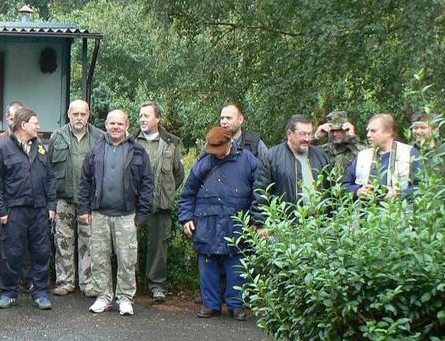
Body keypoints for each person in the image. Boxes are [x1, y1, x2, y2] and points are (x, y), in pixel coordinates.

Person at [77, 110, 154, 316]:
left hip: (127, 215)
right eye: (112, 123)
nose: (115, 127)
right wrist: (84, 208)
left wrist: (143, 214)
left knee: (127, 259)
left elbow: (148, 184)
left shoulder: (138, 151)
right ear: (106, 124)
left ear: (127, 124)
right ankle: (103, 296)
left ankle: (125, 298)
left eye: (119, 123)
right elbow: (85, 181)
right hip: (100, 214)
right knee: (99, 258)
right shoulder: (96, 150)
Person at [178, 126, 259, 321]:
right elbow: (187, 193)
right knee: (208, 264)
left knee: (237, 265)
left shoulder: (248, 161)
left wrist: (257, 221)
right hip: (207, 223)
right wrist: (186, 218)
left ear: (230, 143)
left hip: (237, 222)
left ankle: (236, 305)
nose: (215, 153)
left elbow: (260, 193)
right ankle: (211, 304)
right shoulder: (203, 163)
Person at [0, 108, 57, 310]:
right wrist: (1, 210)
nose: (38, 126)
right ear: (23, 125)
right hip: (14, 211)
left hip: (39, 210)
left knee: (42, 252)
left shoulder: (42, 148)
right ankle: (9, 292)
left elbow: (50, 179)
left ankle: (41, 292)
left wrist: (51, 205)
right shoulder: (3, 148)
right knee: (12, 252)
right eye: (35, 123)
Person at [49, 99, 104, 297]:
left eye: (83, 114)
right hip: (63, 199)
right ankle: (65, 281)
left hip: (89, 201)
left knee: (89, 241)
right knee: (63, 240)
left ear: (88, 115)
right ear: (68, 114)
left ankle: (88, 283)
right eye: (75, 114)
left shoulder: (99, 137)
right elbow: (49, 169)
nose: (79, 118)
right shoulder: (58, 137)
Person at [135, 101, 185, 303]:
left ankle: (156, 286)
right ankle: (131, 283)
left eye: (147, 116)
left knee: (159, 247)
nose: (142, 119)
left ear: (157, 119)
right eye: (140, 116)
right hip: (135, 205)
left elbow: (178, 175)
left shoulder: (171, 143)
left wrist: (166, 192)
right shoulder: (132, 141)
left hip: (160, 205)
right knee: (130, 246)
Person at [251, 115, 330, 229]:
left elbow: (331, 189)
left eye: (309, 134)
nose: (307, 139)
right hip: (287, 229)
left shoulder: (321, 156)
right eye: (302, 134)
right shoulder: (272, 157)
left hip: (319, 227)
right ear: (289, 134)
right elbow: (261, 192)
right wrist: (261, 224)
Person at [0, 101, 29, 294]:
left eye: (19, 117)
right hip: (3, 201)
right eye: (11, 117)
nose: (14, 120)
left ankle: (26, 281)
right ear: (8, 118)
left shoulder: (32, 142)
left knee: (26, 243)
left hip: (25, 203)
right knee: (0, 242)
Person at [342, 113, 420, 200]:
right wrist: (358, 191)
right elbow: (344, 186)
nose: (368, 135)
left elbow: (421, 188)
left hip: (399, 211)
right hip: (367, 211)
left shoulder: (409, 153)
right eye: (368, 130)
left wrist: (399, 194)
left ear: (388, 132)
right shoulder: (362, 156)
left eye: (373, 131)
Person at [410, 112, 445, 190]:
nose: (418, 132)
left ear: (435, 130)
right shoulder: (406, 153)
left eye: (423, 128)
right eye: (415, 128)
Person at [314, 110, 364, 175]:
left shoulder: (354, 148)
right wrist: (316, 138)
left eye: (338, 130)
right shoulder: (325, 149)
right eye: (332, 131)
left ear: (346, 130)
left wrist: (352, 137)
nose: (334, 134)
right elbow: (307, 154)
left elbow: (367, 157)